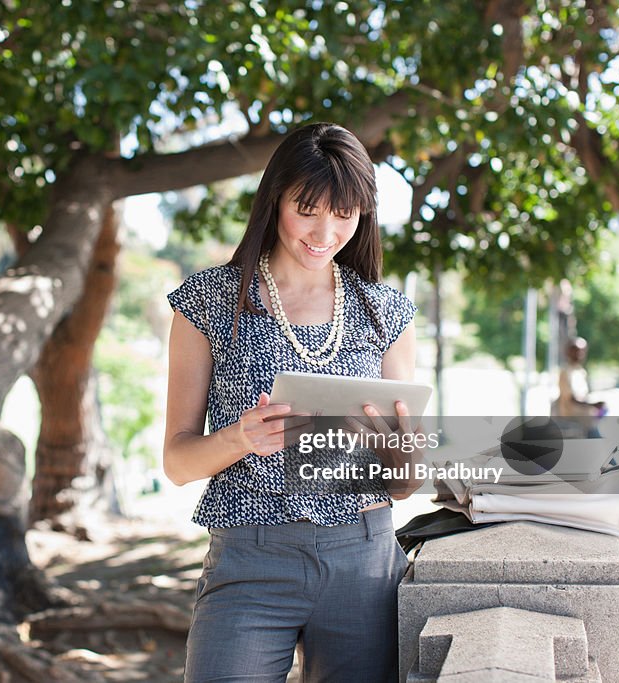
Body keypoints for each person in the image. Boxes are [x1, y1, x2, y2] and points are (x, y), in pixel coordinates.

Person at [163, 122, 424, 682]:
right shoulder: (209, 301)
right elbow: (177, 462)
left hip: (365, 559)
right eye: (307, 208)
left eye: (345, 213)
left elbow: (405, 483)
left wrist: (402, 456)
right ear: (274, 198)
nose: (325, 231)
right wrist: (239, 437)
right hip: (249, 561)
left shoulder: (386, 312)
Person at [553, 337, 606, 438]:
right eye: (575, 350)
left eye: (582, 351)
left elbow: (582, 396)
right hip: (573, 420)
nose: (579, 354)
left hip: (586, 418)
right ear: (568, 352)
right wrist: (593, 404)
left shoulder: (580, 371)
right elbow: (571, 399)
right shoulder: (565, 372)